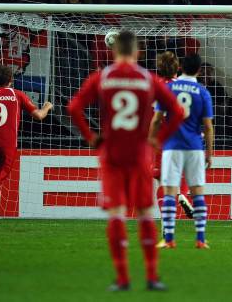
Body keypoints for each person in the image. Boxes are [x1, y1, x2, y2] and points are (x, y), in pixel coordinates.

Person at [67, 31, 184, 291]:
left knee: (117, 215)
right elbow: (178, 111)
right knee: (145, 214)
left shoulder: (103, 77)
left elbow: (73, 107)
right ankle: (152, 277)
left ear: (114, 50)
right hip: (140, 152)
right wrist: (158, 139)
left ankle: (122, 279)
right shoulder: (147, 78)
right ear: (138, 52)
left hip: (113, 153)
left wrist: (91, 137)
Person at [0, 65, 53, 231]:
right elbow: (39, 116)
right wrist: (47, 107)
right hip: (6, 145)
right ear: (10, 80)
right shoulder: (17, 95)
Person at [150, 53, 214, 250]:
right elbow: (208, 126)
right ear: (199, 70)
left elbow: (156, 118)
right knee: (198, 192)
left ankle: (168, 238)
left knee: (166, 189)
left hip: (170, 143)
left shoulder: (165, 88)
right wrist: (209, 154)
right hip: (195, 145)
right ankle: (200, 239)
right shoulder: (202, 91)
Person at [151, 51, 194, 242]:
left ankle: (166, 223)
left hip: (162, 139)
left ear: (159, 69)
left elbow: (153, 118)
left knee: (162, 182)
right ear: (178, 68)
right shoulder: (185, 87)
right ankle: (182, 196)